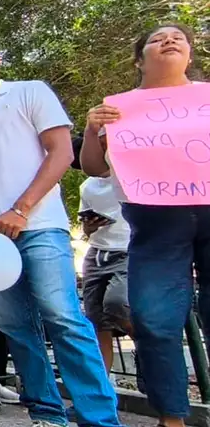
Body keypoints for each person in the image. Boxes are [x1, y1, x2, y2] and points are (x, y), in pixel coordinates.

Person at [0, 34, 140, 427]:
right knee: (15, 329)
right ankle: (49, 422)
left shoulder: (31, 92)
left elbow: (62, 152)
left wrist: (22, 209)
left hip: (41, 226)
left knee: (63, 318)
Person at [79, 23, 206, 427]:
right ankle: (172, 423)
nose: (169, 41)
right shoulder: (119, 111)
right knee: (152, 320)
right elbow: (94, 168)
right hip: (156, 228)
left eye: (178, 38)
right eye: (157, 38)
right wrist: (94, 129)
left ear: (190, 54)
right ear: (139, 58)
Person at [74, 141, 132, 375]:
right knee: (97, 321)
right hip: (97, 253)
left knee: (117, 302)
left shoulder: (127, 176)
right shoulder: (87, 186)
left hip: (127, 249)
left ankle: (149, 347)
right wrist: (90, 226)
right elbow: (85, 231)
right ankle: (103, 387)